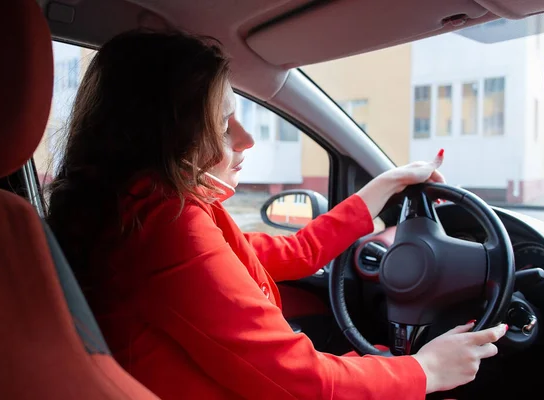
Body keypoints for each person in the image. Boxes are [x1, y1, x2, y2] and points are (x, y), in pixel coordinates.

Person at [47, 29, 507, 400]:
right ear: (166, 136)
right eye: (224, 124)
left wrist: (384, 185)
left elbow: (295, 251)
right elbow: (296, 380)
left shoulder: (128, 209)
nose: (246, 139)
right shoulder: (165, 225)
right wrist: (424, 371)